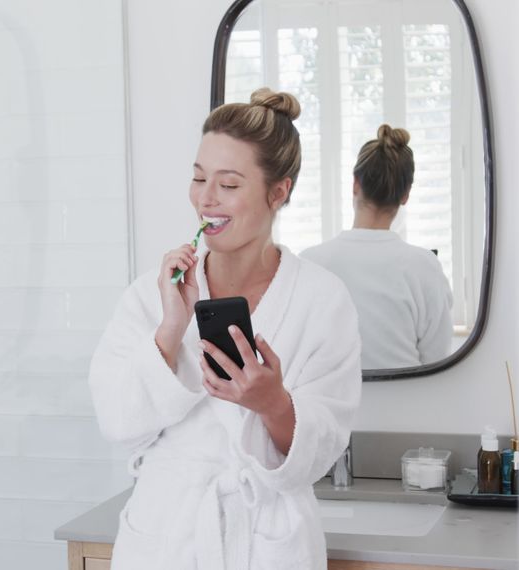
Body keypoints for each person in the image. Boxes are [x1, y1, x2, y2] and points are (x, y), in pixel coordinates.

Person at [89, 88, 362, 570]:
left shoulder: (322, 300)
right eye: (198, 178)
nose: (205, 199)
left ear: (279, 191)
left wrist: (272, 403)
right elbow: (115, 419)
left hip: (266, 541)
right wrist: (172, 326)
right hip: (166, 538)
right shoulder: (149, 295)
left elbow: (323, 447)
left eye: (229, 185)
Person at [300, 125, 453, 369]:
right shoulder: (425, 267)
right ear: (406, 195)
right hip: (408, 403)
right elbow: (438, 360)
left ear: (355, 184)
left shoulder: (309, 263)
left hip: (330, 405)